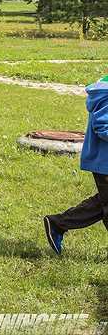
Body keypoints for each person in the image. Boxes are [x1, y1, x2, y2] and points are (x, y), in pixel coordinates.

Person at [44, 76, 108, 255]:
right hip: (104, 163)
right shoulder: (106, 92)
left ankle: (57, 224)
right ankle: (58, 223)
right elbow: (103, 126)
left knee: (102, 203)